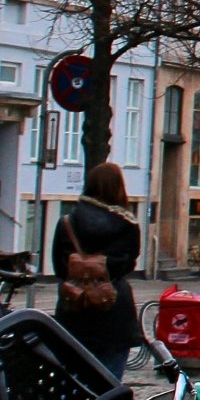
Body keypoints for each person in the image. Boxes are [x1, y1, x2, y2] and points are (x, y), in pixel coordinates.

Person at [55, 162, 142, 385]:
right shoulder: (128, 225)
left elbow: (59, 267)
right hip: (113, 312)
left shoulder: (67, 223)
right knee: (108, 389)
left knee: (72, 386)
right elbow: (126, 265)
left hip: (74, 311)